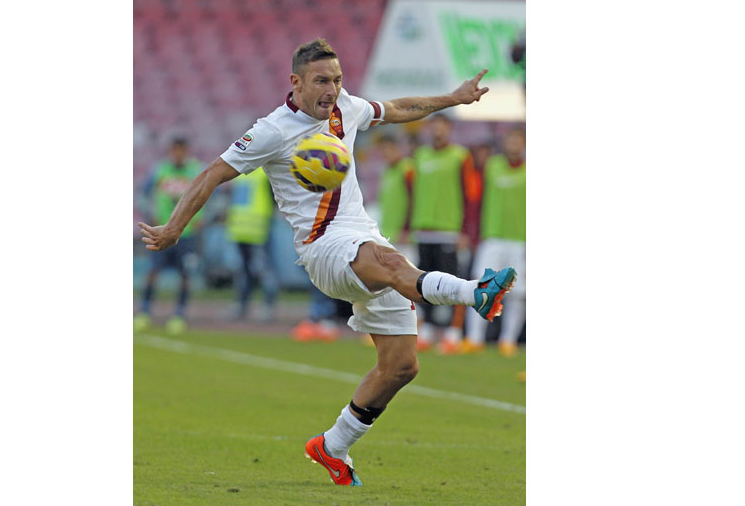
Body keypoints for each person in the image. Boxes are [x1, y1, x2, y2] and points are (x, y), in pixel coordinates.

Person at [138, 39, 516, 487]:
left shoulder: (347, 109)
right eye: (321, 81)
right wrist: (174, 227)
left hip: (362, 236)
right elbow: (211, 175)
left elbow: (396, 108)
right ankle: (475, 292)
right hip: (322, 249)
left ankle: (331, 446)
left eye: (336, 79)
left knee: (401, 366)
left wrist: (452, 99)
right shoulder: (271, 131)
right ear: (295, 82)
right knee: (393, 264)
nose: (332, 89)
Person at [408, 114, 481, 354]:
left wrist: (465, 231)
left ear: (449, 129)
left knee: (454, 281)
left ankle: (454, 331)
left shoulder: (460, 156)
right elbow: (413, 194)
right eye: (434, 125)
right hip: (424, 230)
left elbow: (470, 195)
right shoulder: (420, 156)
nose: (437, 130)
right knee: (424, 282)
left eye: (442, 125)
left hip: (449, 230)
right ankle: (427, 328)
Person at [465, 127, 526, 356]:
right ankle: (474, 338)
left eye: (518, 140)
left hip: (520, 239)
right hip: (491, 237)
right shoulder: (491, 167)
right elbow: (474, 198)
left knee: (518, 292)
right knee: (481, 286)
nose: (514, 144)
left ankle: (508, 340)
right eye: (510, 139)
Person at [134, 136, 204, 334]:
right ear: (170, 151)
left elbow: (211, 195)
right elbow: (143, 195)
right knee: (152, 272)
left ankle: (179, 315)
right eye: (175, 150)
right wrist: (151, 213)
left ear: (186, 151)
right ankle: (144, 312)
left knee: (185, 274)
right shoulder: (159, 170)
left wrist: (204, 217)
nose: (178, 154)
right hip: (162, 231)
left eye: (181, 150)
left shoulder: (196, 171)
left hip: (187, 233)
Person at [225, 167, 280, 322]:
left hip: (259, 229)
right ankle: (242, 304)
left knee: (264, 269)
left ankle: (267, 305)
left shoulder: (264, 173)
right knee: (243, 270)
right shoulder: (240, 172)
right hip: (240, 229)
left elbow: (275, 199)